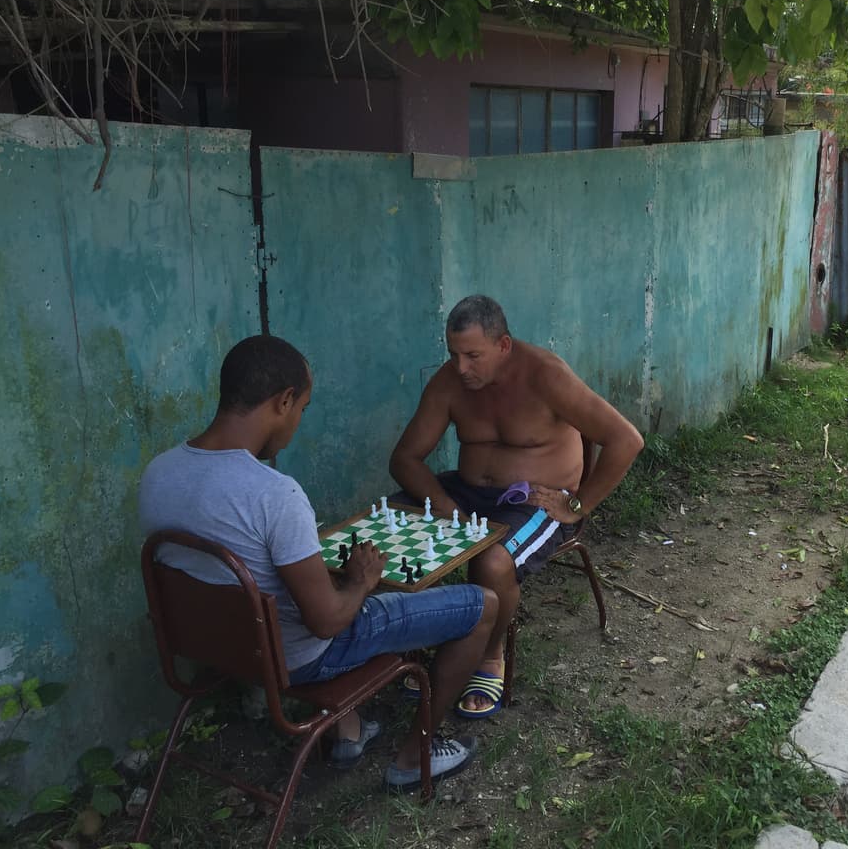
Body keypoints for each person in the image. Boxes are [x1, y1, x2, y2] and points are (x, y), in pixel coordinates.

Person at [138, 335, 499, 792]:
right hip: (297, 658)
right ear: (283, 401)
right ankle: (415, 757)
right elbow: (328, 621)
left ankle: (348, 733)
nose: (297, 421)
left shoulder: (159, 473)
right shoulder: (274, 495)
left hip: (216, 647)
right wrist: (363, 581)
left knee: (326, 580)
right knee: (482, 605)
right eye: (302, 408)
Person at [390, 295, 644, 718]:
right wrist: (448, 507)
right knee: (386, 531)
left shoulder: (545, 376)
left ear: (504, 345)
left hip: (534, 501)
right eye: (454, 355)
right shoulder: (450, 381)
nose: (461, 367)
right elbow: (405, 458)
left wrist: (578, 505)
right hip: (466, 495)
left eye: (473, 355)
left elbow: (626, 439)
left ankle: (490, 657)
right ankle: (406, 650)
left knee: (491, 562)